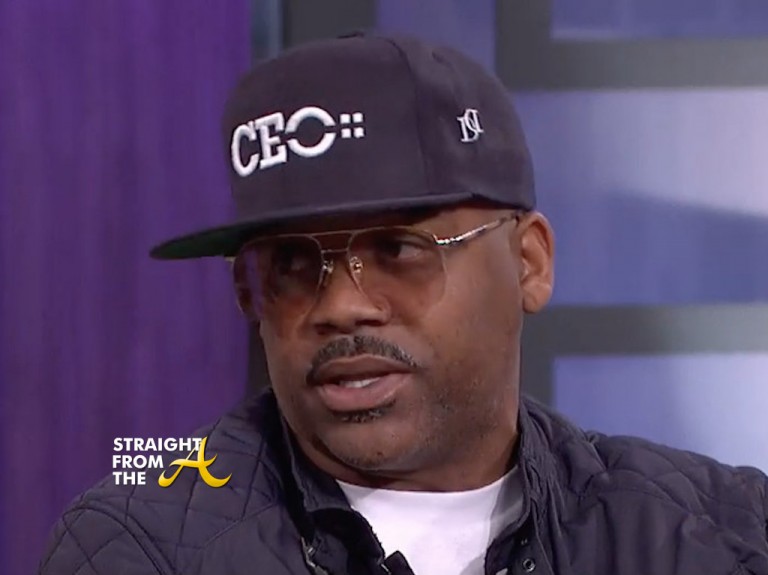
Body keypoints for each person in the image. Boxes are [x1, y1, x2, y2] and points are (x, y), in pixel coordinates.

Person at [39, 32, 768, 575]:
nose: (340, 305)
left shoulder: (721, 533)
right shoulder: (144, 548)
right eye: (290, 264)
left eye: (397, 249)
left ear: (529, 263)